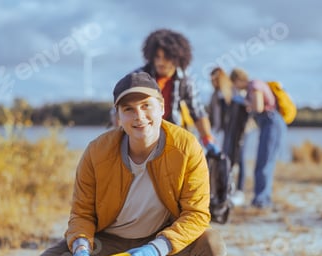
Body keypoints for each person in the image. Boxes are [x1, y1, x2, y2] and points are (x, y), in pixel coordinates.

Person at [28, 72, 226, 256]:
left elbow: (197, 214)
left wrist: (156, 248)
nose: (139, 116)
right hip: (106, 243)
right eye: (129, 109)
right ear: (118, 116)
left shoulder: (187, 147)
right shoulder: (97, 151)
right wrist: (80, 248)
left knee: (212, 245)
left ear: (162, 108)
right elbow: (81, 213)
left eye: (146, 106)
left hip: (159, 245)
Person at [111, 29, 220, 156]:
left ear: (177, 58)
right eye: (157, 57)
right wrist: (120, 140)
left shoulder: (186, 81)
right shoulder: (137, 78)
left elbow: (198, 112)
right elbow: (118, 111)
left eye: (166, 57)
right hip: (142, 134)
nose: (160, 62)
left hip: (172, 135)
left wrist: (208, 140)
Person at [229, 68, 287, 208]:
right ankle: (262, 198)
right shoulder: (253, 86)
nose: (234, 87)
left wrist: (243, 101)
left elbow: (259, 107)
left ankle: (261, 201)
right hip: (268, 123)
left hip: (271, 123)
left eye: (233, 83)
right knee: (264, 162)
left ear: (237, 80)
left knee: (264, 162)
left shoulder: (254, 86)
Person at [208, 67, 249, 207]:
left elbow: (242, 110)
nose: (213, 81)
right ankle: (225, 189)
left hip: (239, 131)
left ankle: (240, 189)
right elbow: (213, 115)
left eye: (215, 78)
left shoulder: (232, 92)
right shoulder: (215, 94)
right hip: (223, 131)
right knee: (225, 159)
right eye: (211, 79)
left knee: (240, 157)